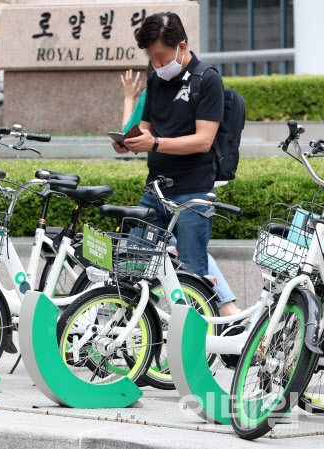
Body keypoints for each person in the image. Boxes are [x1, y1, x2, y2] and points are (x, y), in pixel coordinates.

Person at [114, 13, 240, 317]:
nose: (156, 64)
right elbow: (147, 126)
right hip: (154, 190)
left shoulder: (207, 79)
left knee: (193, 279)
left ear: (181, 46)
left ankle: (196, 349)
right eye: (150, 57)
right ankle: (139, 344)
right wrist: (129, 140)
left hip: (192, 194)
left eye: (160, 56)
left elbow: (203, 140)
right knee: (133, 269)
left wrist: (154, 143)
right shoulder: (156, 75)